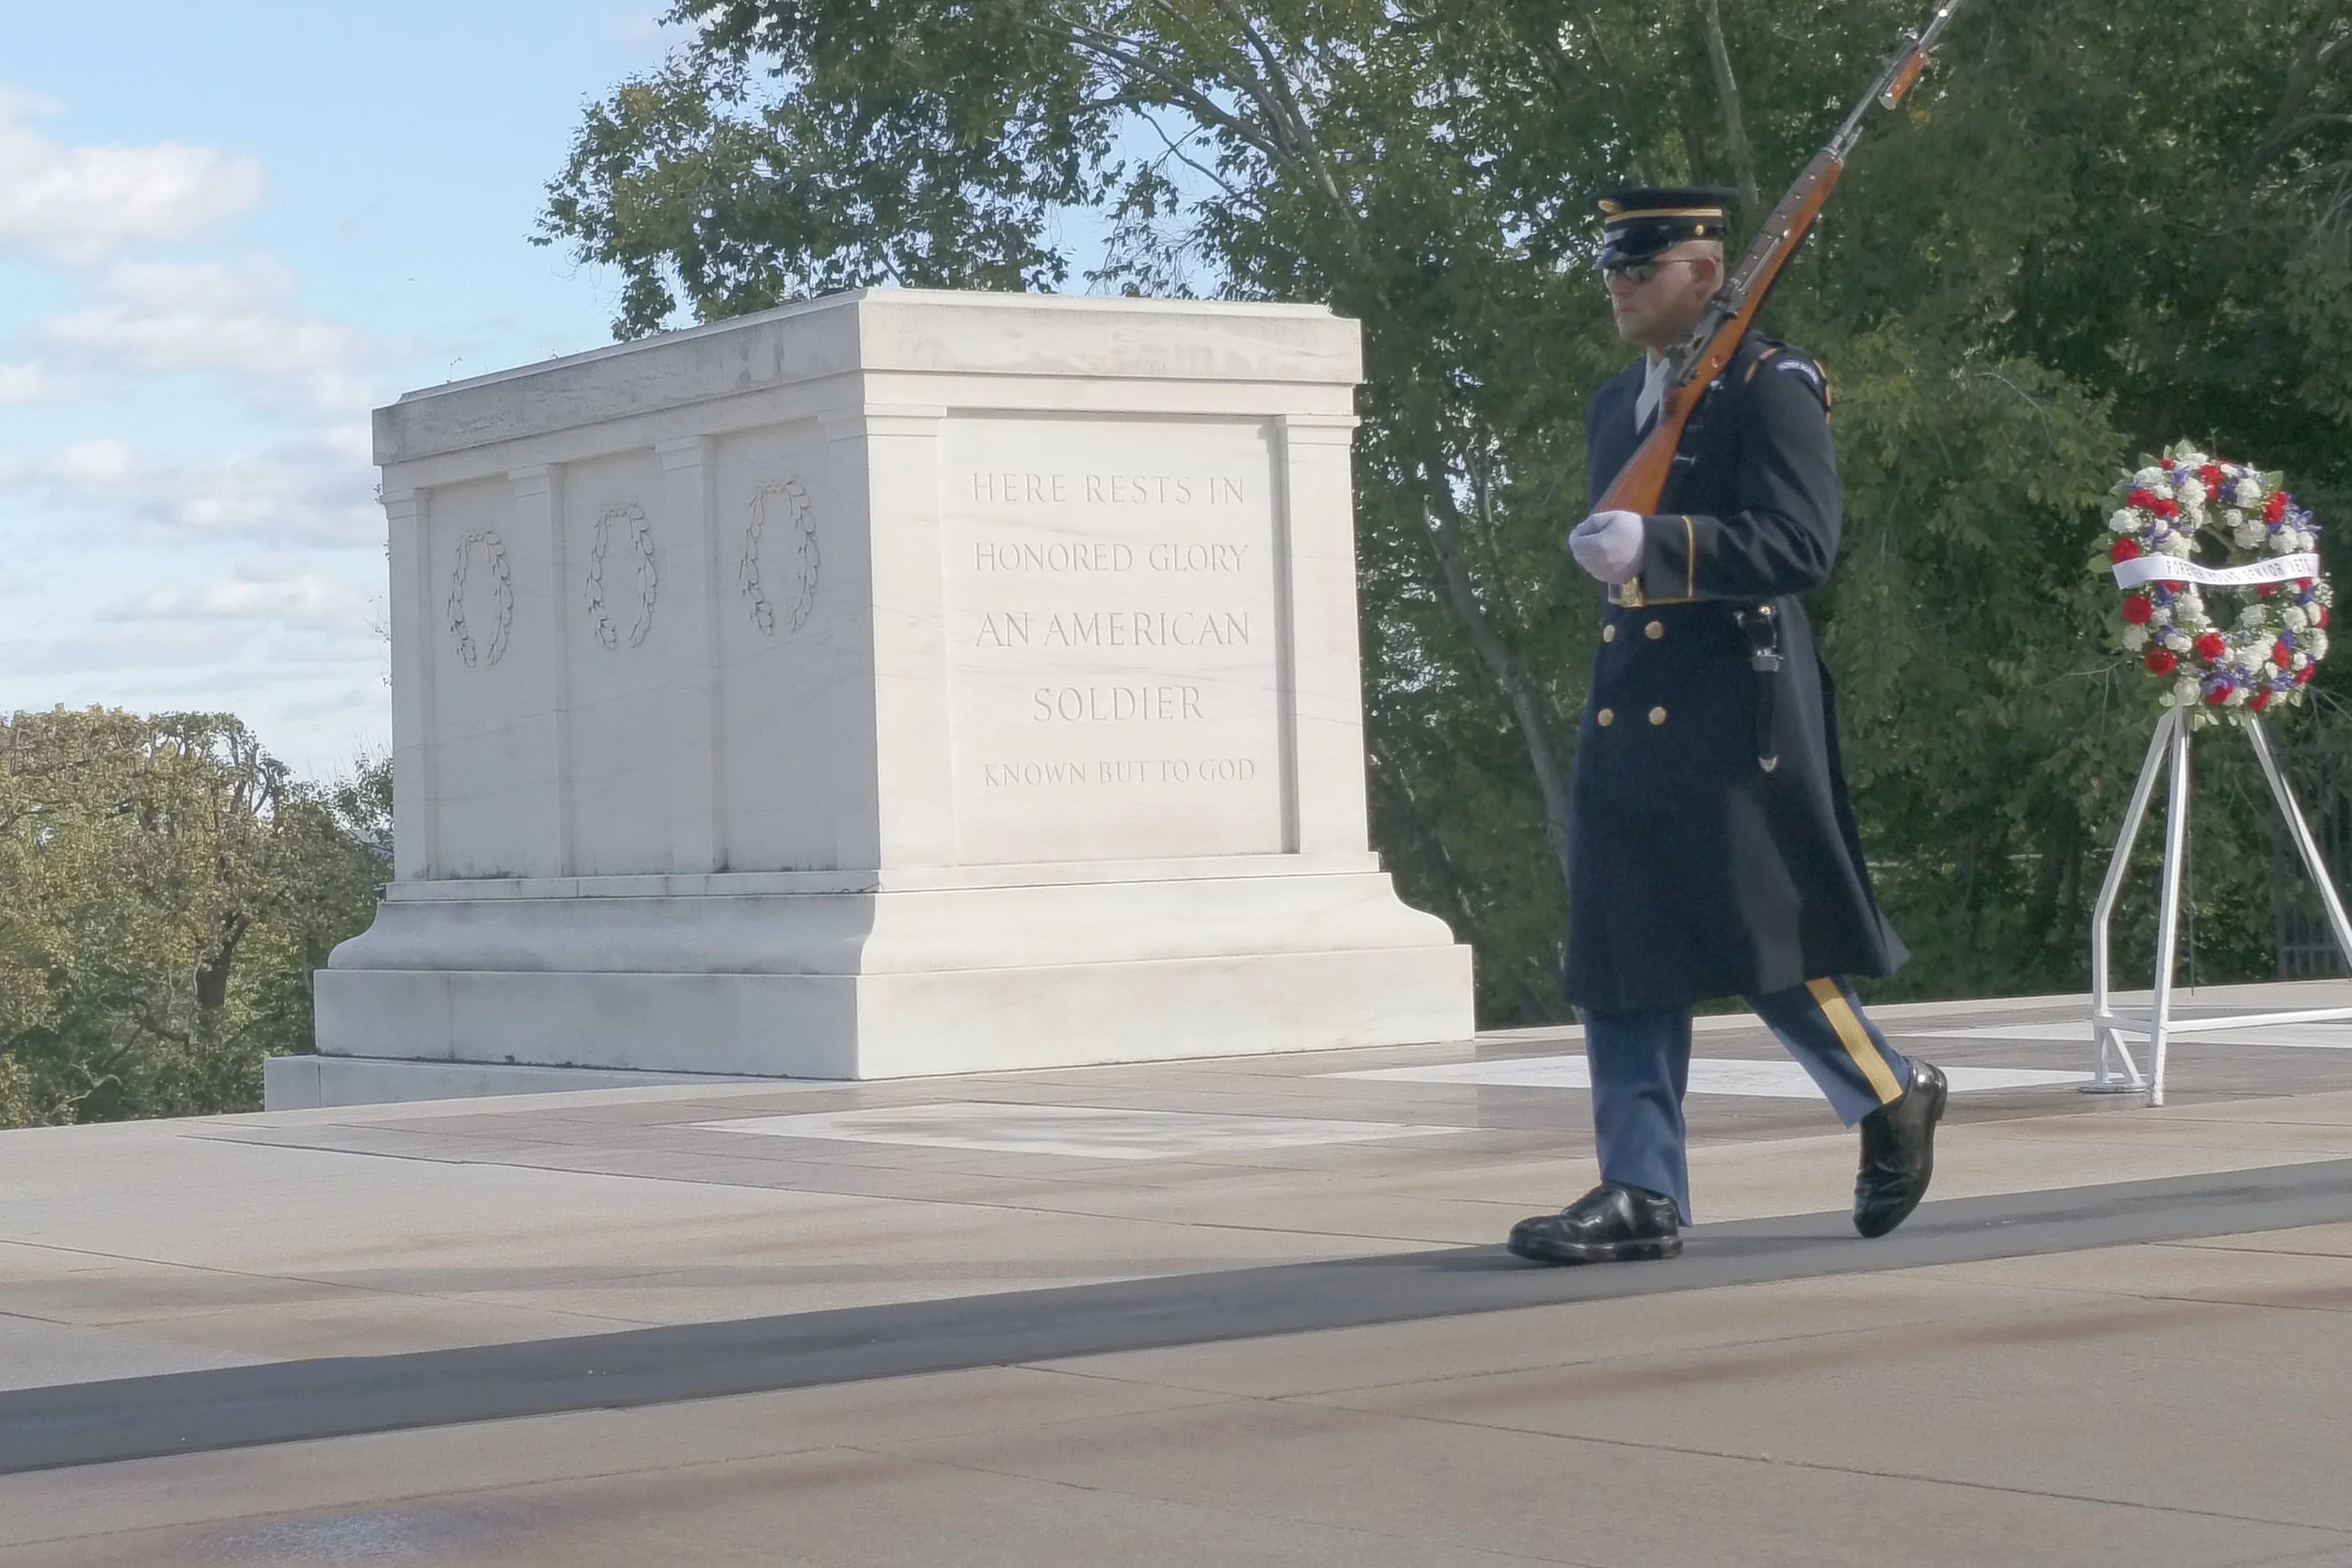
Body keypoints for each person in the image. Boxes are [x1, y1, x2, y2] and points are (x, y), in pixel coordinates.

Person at [1506, 187, 1947, 1266]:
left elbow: (1802, 543)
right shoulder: (1619, 403)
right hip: (1631, 700)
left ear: (1705, 273)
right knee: (1621, 944)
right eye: (1611, 265)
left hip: (1732, 698)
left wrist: (1661, 547)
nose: (1618, 283)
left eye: (1640, 266)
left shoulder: (1768, 384)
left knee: (1763, 934)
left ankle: (1889, 1089)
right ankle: (1640, 1187)